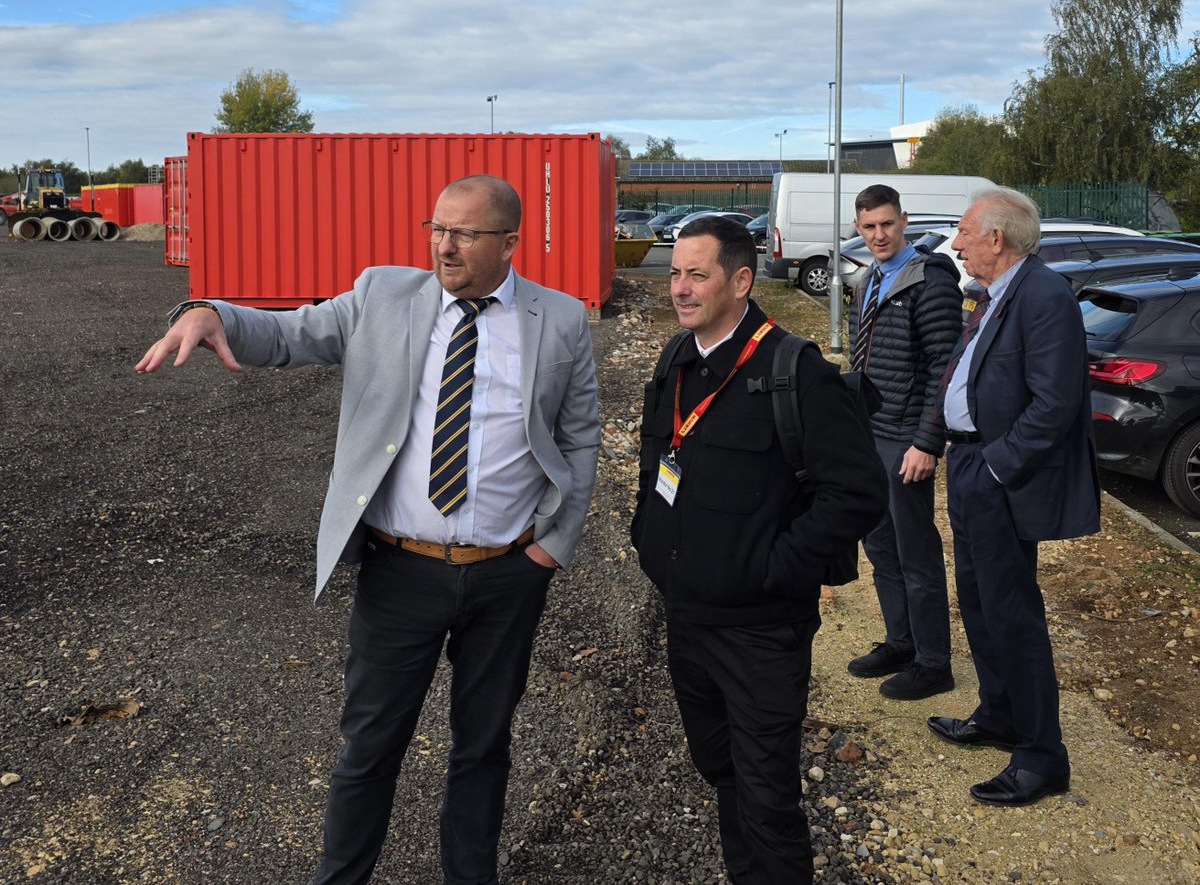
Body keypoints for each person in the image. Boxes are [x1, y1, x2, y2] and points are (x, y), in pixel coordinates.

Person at [135, 174, 601, 884]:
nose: (444, 245)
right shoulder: (384, 296)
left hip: (508, 573)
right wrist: (211, 314)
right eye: (437, 228)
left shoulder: (560, 320)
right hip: (400, 571)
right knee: (371, 745)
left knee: (483, 747)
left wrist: (550, 547)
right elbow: (291, 332)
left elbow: (581, 436)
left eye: (465, 233)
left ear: (509, 243)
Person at [631, 215, 887, 883]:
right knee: (722, 775)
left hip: (761, 631)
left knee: (768, 796)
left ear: (741, 281)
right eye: (676, 273)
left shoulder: (792, 371)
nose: (679, 289)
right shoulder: (675, 360)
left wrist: (774, 570)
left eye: (698, 274)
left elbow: (857, 494)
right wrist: (648, 543)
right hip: (686, 618)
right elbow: (655, 466)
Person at [927, 187, 1101, 806]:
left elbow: (1056, 402)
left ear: (997, 239)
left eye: (965, 233)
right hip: (973, 464)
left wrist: (996, 466)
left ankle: (1041, 756)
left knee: (1013, 615)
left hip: (998, 475)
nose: (957, 244)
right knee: (977, 601)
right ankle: (999, 714)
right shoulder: (999, 294)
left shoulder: (1044, 294)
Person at [845, 184, 961, 700]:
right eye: (869, 227)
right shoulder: (869, 279)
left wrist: (927, 443)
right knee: (881, 547)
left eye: (887, 225)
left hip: (906, 441)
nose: (878, 236)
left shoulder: (928, 283)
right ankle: (902, 642)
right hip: (869, 436)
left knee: (916, 553)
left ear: (904, 221)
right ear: (858, 227)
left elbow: (944, 368)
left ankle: (935, 663)